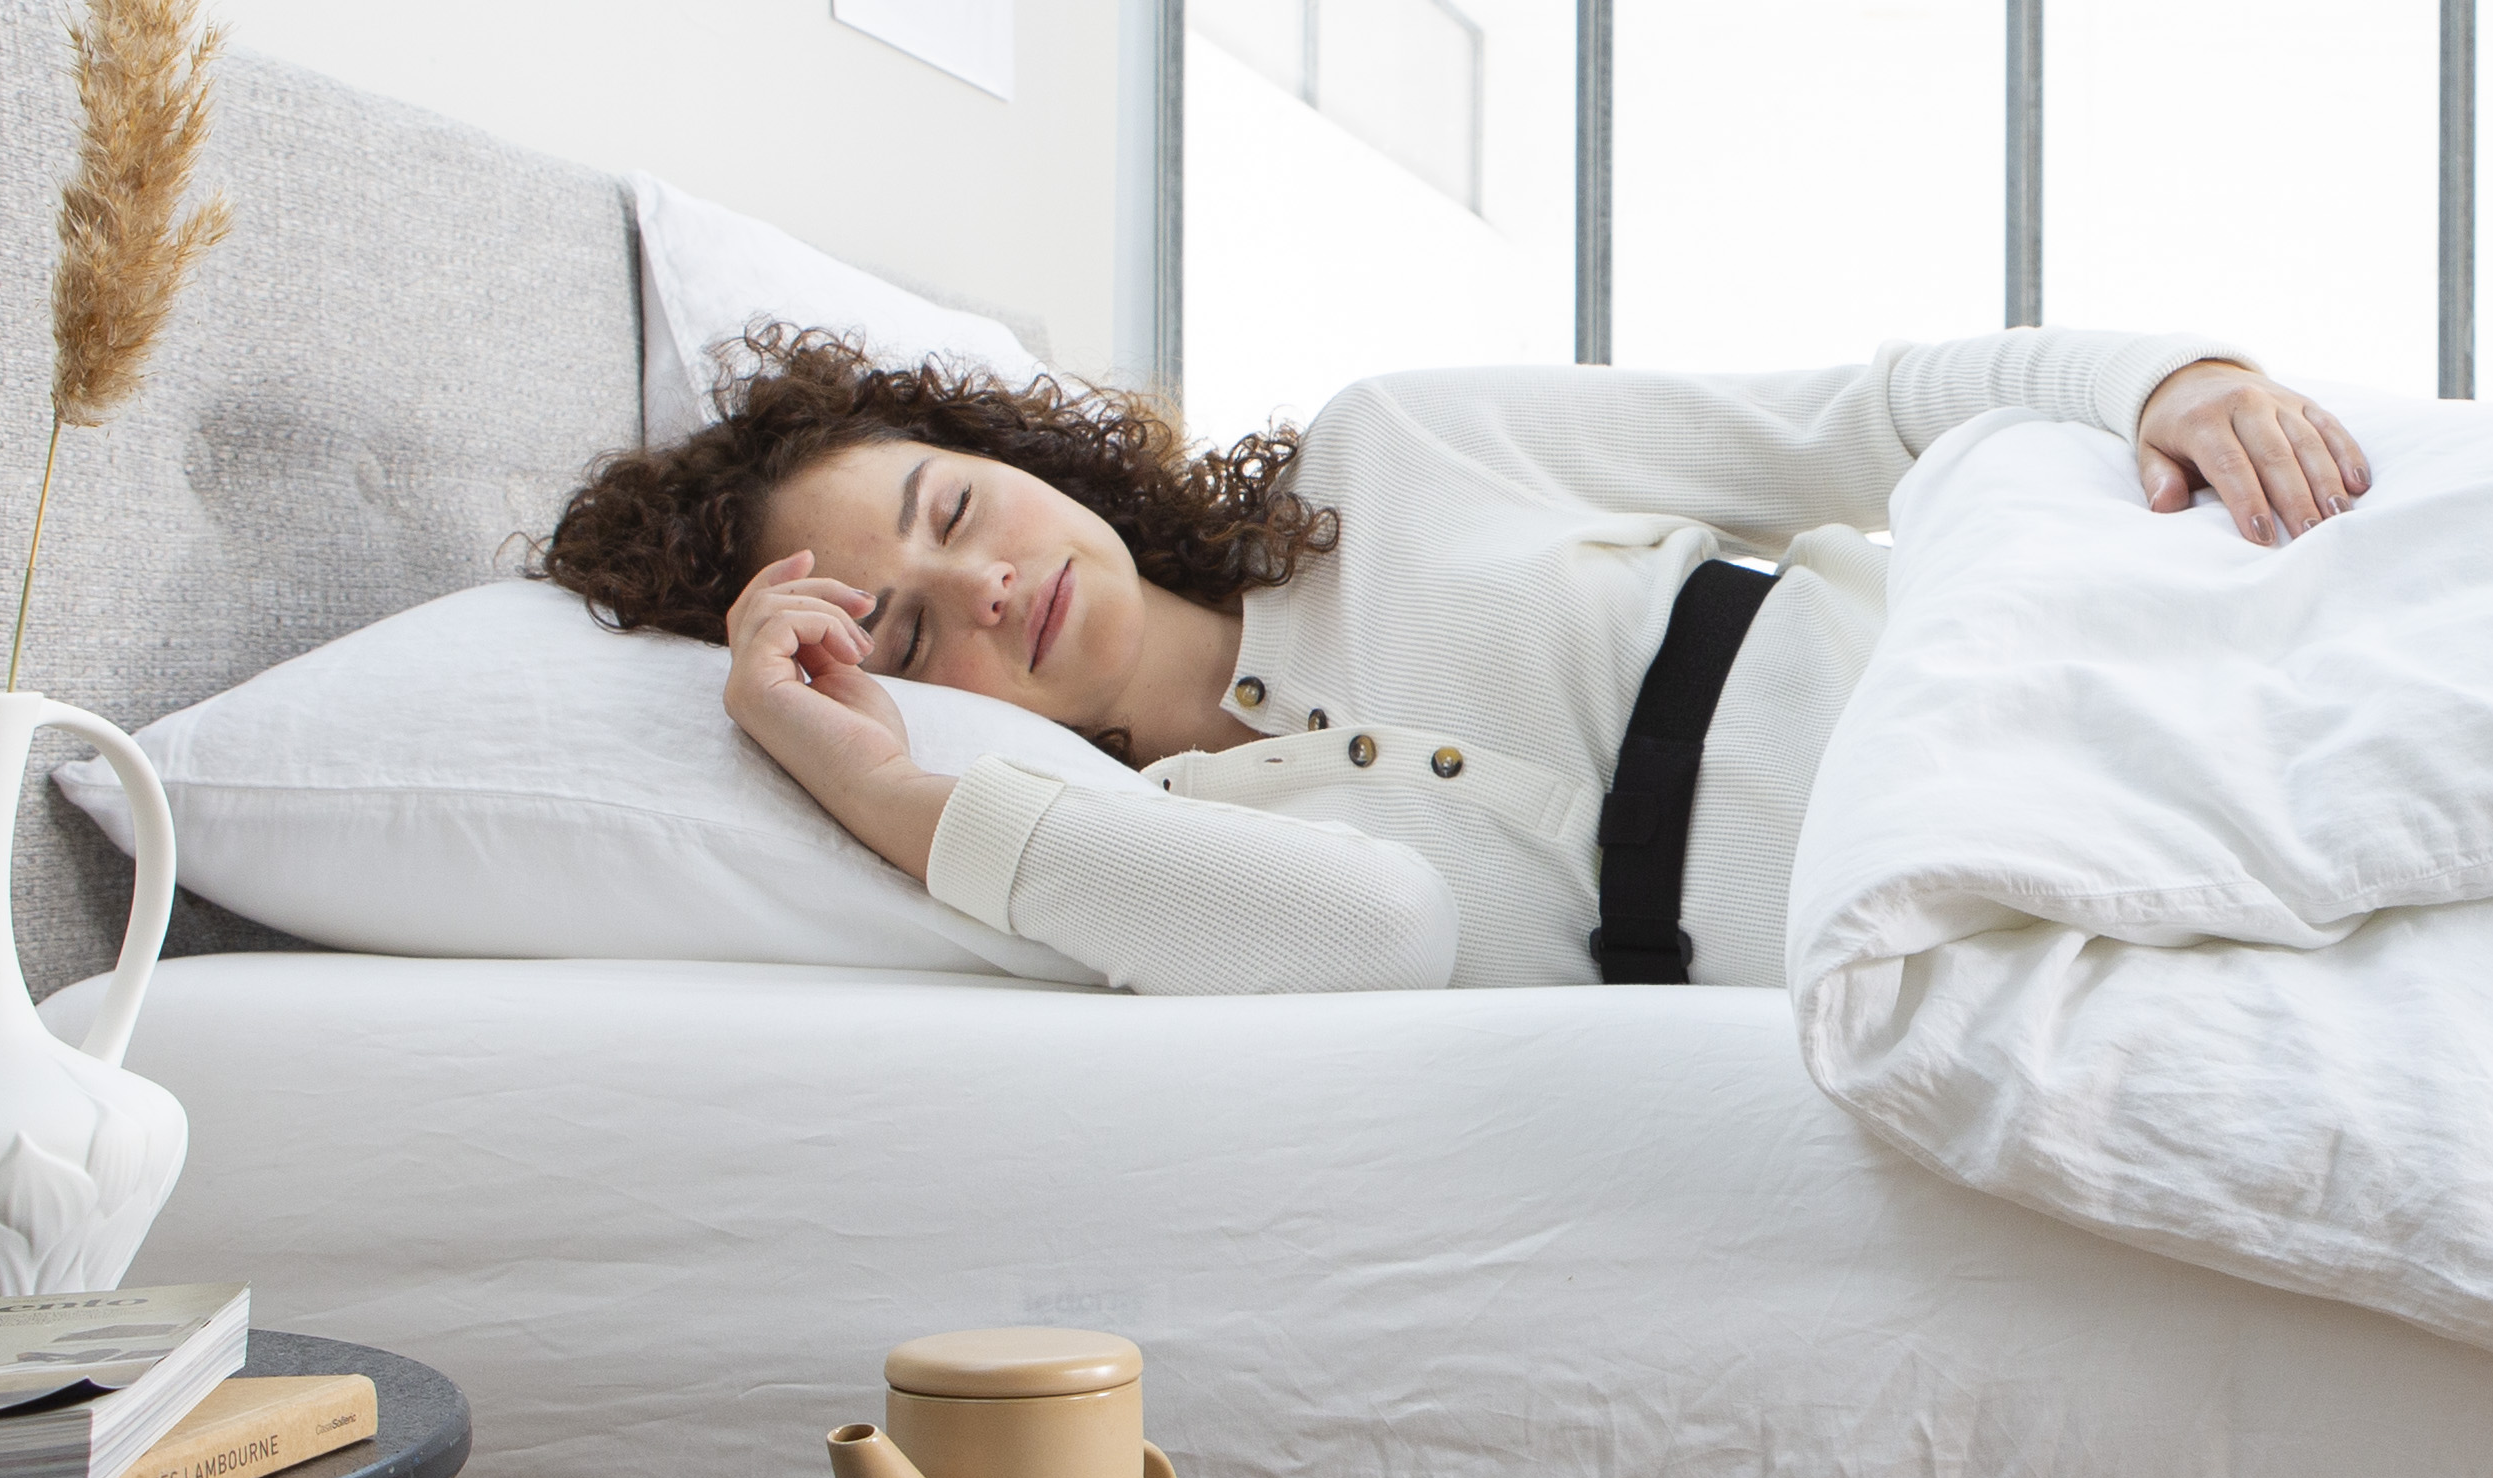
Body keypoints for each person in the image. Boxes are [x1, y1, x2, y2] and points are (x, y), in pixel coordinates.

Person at [537, 327, 2374, 995]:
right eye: (916, 633)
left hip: (2078, 660)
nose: (988, 581)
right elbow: (1383, 936)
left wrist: (2160, 386)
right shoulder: (1152, 847)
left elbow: (1848, 421)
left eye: (954, 506)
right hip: (2001, 916)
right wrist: (864, 772)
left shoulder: (1390, 453)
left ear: (1020, 455)